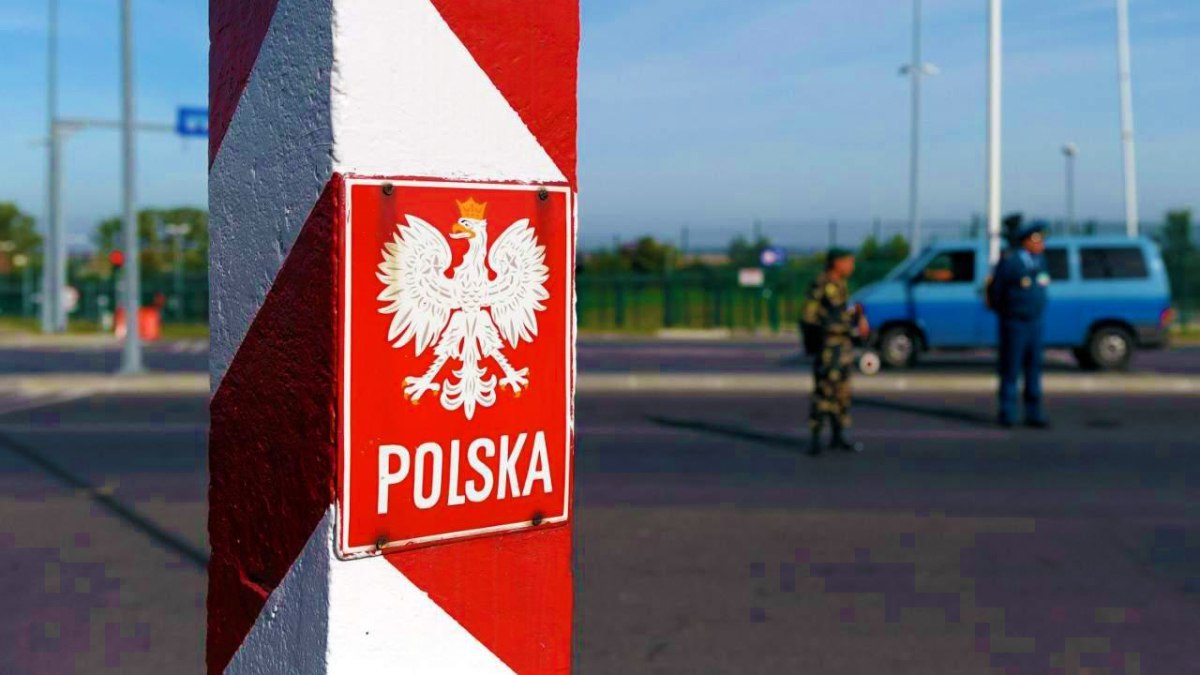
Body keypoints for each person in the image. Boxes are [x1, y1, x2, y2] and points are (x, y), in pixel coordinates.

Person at [801, 248, 869, 456]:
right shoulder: (821, 284)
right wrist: (816, 343)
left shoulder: (841, 285)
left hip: (844, 347)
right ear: (836, 263)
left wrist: (858, 317)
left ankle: (838, 436)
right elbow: (808, 317)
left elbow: (844, 311)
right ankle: (815, 438)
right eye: (848, 262)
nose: (851, 266)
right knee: (824, 393)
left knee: (842, 393)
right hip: (828, 347)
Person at [986, 223, 1051, 428]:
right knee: (1011, 368)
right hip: (1014, 323)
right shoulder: (1010, 262)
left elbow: (1043, 285)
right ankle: (1008, 412)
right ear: (1026, 242)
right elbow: (996, 292)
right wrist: (1008, 313)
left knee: (1034, 368)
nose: (1041, 244)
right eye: (1037, 240)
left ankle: (1034, 412)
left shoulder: (1040, 261)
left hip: (1035, 322)